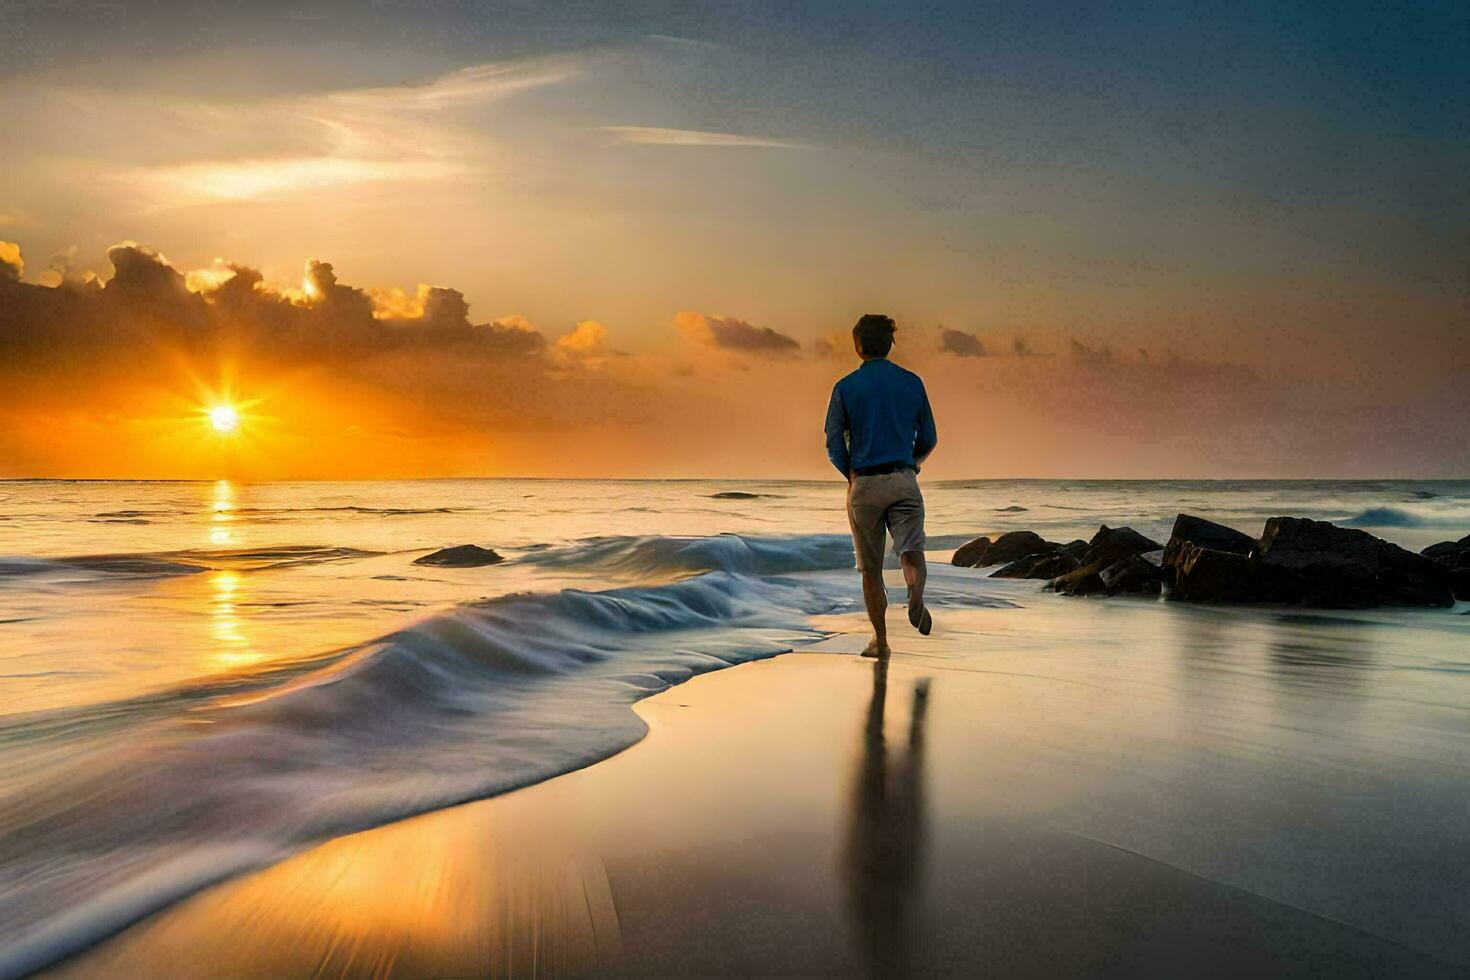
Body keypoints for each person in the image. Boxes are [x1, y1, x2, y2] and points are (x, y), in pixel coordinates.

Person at [824, 313, 937, 658]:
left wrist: (853, 475)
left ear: (857, 346)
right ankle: (915, 593)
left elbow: (833, 444)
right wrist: (911, 464)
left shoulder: (845, 387)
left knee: (871, 569)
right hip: (903, 478)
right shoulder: (912, 382)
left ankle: (881, 641)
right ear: (890, 343)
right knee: (911, 550)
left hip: (865, 483)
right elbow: (930, 438)